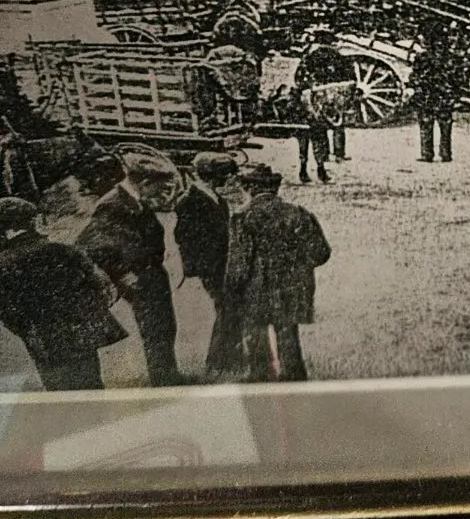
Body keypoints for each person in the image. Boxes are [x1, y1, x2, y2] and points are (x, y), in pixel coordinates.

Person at [76, 150, 183, 387]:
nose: (163, 192)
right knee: (156, 328)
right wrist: (125, 275)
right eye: (160, 186)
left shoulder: (131, 199)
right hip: (138, 276)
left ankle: (167, 375)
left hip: (149, 271)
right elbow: (92, 245)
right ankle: (164, 381)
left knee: (163, 326)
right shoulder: (113, 204)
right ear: (144, 182)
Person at [0, 197, 126, 391]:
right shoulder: (63, 250)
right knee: (91, 384)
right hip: (79, 334)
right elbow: (101, 287)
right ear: (33, 222)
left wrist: (27, 330)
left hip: (41, 339)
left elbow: (7, 311)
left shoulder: (3, 264)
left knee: (56, 389)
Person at [226, 163, 331, 383]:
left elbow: (240, 260)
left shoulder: (242, 217)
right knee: (288, 331)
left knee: (255, 330)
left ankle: (260, 374)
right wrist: (298, 267)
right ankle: (293, 374)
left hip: (257, 286)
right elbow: (321, 252)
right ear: (276, 188)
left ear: (250, 189)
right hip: (291, 284)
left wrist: (233, 287)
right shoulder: (298, 213)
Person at [173, 152, 240, 379]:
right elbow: (185, 238)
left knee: (229, 308)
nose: (229, 180)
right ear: (213, 176)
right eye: (226, 175)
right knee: (227, 308)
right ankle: (218, 362)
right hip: (212, 266)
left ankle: (226, 358)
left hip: (223, 263)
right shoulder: (189, 202)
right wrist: (198, 266)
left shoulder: (217, 200)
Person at [296, 26, 356, 181]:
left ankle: (304, 169)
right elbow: (349, 78)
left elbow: (299, 78)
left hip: (310, 100)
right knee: (327, 131)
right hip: (330, 101)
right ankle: (326, 165)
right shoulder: (337, 56)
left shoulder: (309, 56)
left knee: (306, 135)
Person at [408, 37, 469, 164]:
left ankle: (427, 154)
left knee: (427, 124)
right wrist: (454, 93)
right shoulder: (452, 59)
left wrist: (418, 86)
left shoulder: (422, 58)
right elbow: (459, 79)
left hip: (428, 96)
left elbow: (414, 77)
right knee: (445, 125)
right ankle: (445, 154)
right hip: (443, 96)